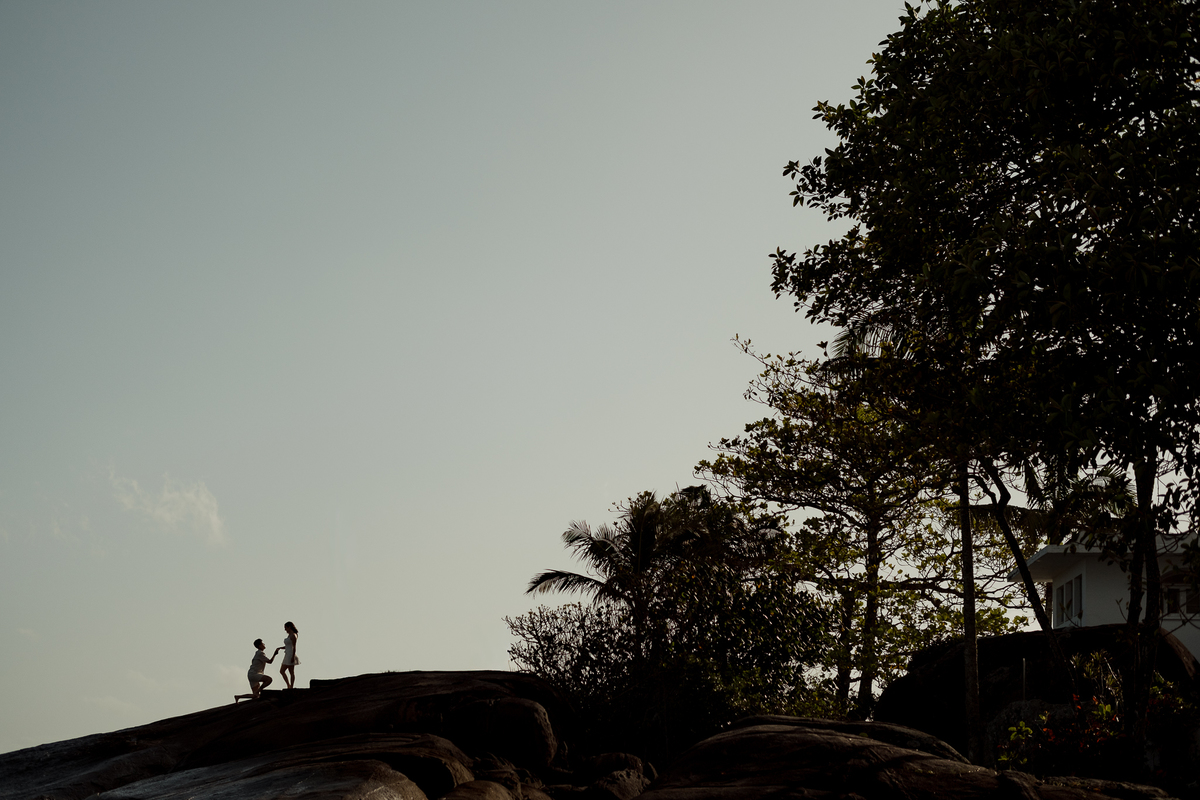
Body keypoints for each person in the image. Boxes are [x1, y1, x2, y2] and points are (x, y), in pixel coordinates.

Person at [280, 621, 300, 689]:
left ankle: (291, 686)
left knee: (291, 672)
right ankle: (288, 684)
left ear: (289, 627)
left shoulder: (293, 635)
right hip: (287, 654)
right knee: (282, 671)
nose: (285, 629)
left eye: (286, 628)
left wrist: (293, 657)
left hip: (290, 654)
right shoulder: (289, 635)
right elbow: (288, 646)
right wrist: (280, 648)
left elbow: (294, 647)